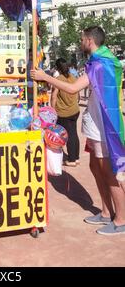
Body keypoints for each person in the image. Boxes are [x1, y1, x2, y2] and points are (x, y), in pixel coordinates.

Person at [31, 26, 125, 236]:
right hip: (94, 122)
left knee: (108, 172)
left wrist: (45, 77)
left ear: (90, 41)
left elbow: (73, 89)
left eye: (82, 39)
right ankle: (105, 211)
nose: (81, 42)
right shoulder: (97, 61)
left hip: (104, 126)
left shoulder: (101, 64)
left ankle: (121, 219)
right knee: (95, 166)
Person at [51, 58, 80, 167]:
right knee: (73, 133)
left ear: (57, 67)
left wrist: (53, 110)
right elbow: (78, 94)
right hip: (74, 110)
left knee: (68, 135)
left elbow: (54, 96)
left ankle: (71, 159)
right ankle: (76, 157)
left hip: (63, 112)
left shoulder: (58, 79)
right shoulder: (73, 77)